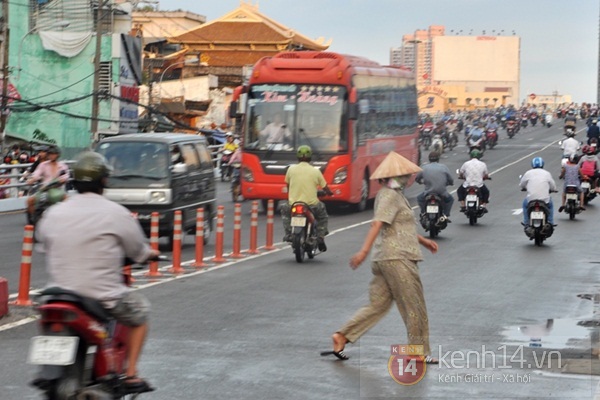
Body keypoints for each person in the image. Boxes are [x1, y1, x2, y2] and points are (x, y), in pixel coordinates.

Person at [36, 152, 159, 394]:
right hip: (100, 295)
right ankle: (131, 374)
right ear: (104, 181)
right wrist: (150, 255)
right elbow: (137, 250)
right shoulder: (116, 212)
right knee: (140, 314)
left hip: (56, 296)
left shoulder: (55, 212)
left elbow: (43, 242)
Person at [320, 151, 439, 363]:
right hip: (397, 259)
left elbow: (398, 226)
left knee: (378, 305)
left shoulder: (393, 194)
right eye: (403, 175)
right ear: (392, 177)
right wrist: (363, 252)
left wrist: (423, 240)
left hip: (386, 259)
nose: (407, 178)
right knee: (414, 305)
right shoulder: (390, 195)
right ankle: (418, 351)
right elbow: (378, 223)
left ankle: (342, 336)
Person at [280, 145, 332, 251]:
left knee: (285, 211)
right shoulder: (315, 171)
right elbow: (325, 187)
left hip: (293, 204)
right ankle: (321, 237)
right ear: (310, 157)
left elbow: (288, 186)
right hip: (311, 205)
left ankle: (289, 233)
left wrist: (292, 196)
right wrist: (329, 192)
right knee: (323, 216)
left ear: (297, 157)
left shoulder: (291, 170)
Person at [415, 151, 454, 219]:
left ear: (429, 159)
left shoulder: (424, 168)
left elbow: (417, 178)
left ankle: (423, 212)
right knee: (450, 200)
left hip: (428, 192)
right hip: (441, 192)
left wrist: (420, 182)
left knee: (419, 198)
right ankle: (445, 215)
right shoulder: (444, 167)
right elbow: (450, 179)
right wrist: (450, 183)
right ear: (438, 159)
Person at [519, 157, 557, 226]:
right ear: (542, 164)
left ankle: (526, 222)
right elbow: (553, 186)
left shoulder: (528, 173)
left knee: (524, 204)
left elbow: (522, 184)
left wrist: (524, 187)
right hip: (545, 200)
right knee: (550, 205)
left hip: (531, 199)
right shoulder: (547, 173)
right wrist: (553, 190)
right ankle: (550, 222)